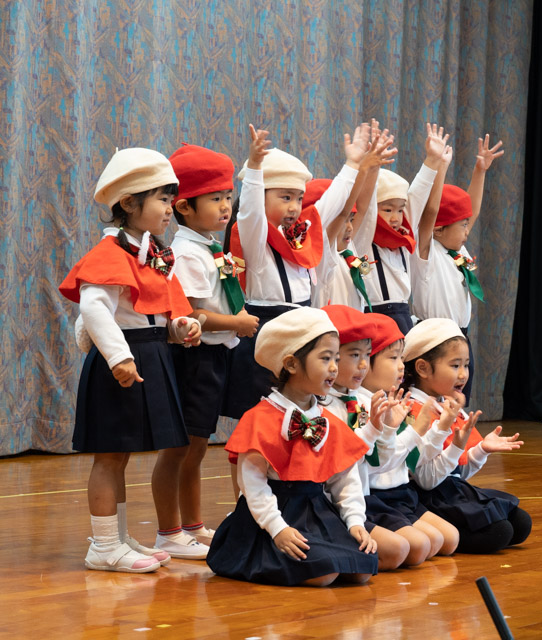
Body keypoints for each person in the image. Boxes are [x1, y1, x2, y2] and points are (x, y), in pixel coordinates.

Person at [59, 148, 202, 572]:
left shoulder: (151, 251)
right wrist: (119, 357)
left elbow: (153, 310)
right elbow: (95, 308)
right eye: (162, 198)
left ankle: (117, 539)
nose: (169, 209)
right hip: (122, 359)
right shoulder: (109, 253)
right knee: (110, 455)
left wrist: (180, 329)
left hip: (151, 352)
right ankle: (103, 545)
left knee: (122, 452)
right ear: (128, 203)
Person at [206, 307, 379, 586]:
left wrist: (355, 522)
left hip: (316, 512)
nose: (335, 367)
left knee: (363, 568)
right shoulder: (259, 418)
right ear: (291, 364)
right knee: (323, 573)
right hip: (273, 516)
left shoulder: (328, 420)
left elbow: (344, 480)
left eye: (336, 358)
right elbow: (252, 485)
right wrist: (278, 529)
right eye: (325, 358)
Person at [147, 143, 258, 559]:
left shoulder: (211, 247)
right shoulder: (190, 253)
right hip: (195, 359)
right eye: (215, 198)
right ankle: (168, 532)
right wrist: (239, 323)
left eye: (228, 196)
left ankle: (191, 526)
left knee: (196, 448)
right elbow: (193, 314)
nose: (226, 206)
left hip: (216, 358)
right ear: (184, 207)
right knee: (179, 448)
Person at [221, 123, 369, 419]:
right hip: (267, 329)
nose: (294, 206)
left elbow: (329, 205)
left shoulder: (303, 237)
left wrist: (352, 164)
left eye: (298, 199)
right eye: (285, 197)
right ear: (262, 195)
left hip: (303, 331)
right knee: (259, 419)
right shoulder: (257, 241)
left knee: (297, 416)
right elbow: (250, 213)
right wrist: (254, 169)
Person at [402, 318, 532, 553]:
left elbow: (458, 472)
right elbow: (427, 480)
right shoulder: (412, 411)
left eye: (466, 365)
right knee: (499, 532)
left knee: (521, 523)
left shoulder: (448, 405)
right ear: (422, 368)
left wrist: (481, 451)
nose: (463, 374)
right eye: (455, 365)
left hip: (452, 489)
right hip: (429, 496)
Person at [321, 305, 433, 568]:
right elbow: (346, 471)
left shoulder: (356, 403)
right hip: (344, 503)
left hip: (359, 501)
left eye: (367, 355)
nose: (363, 365)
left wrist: (392, 430)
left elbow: (377, 461)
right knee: (400, 551)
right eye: (355, 355)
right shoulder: (329, 407)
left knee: (426, 545)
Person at [411, 135, 503, 405]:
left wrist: (480, 171)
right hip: (434, 340)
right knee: (436, 406)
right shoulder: (427, 252)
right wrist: (440, 167)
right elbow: (429, 213)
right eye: (461, 226)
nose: (467, 230)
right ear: (439, 229)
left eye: (466, 225)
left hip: (460, 337)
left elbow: (471, 211)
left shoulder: (457, 250)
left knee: (460, 405)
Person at [353, 123, 450, 333]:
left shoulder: (403, 240)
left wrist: (432, 160)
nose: (396, 218)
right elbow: (365, 205)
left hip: (403, 319)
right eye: (387, 210)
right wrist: (371, 168)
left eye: (399, 210)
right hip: (374, 320)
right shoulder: (363, 239)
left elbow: (417, 196)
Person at [310, 124, 396, 309]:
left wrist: (373, 167)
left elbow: (362, 209)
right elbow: (341, 213)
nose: (350, 226)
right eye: (344, 220)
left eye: (352, 219)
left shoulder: (348, 252)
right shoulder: (322, 256)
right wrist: (361, 167)